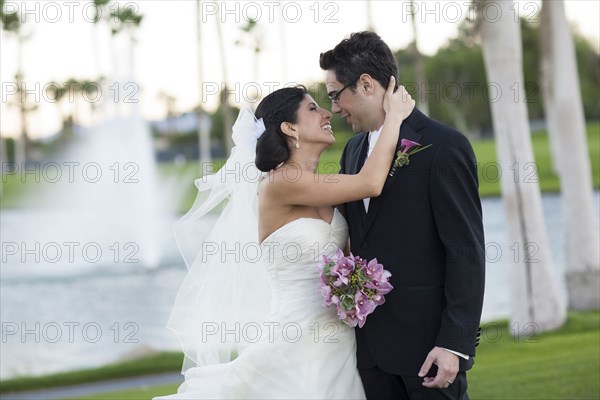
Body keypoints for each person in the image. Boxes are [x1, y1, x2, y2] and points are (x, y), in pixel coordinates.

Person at [155, 79, 415, 399]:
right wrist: (394, 118)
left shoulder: (322, 185)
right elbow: (371, 183)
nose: (327, 113)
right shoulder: (278, 184)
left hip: (338, 341)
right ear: (290, 128)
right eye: (312, 108)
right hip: (293, 340)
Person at [319, 31, 485, 400]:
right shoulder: (354, 150)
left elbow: (466, 251)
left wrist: (454, 345)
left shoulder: (443, 146)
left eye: (335, 95)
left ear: (365, 84)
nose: (334, 108)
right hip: (371, 355)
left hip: (428, 351)